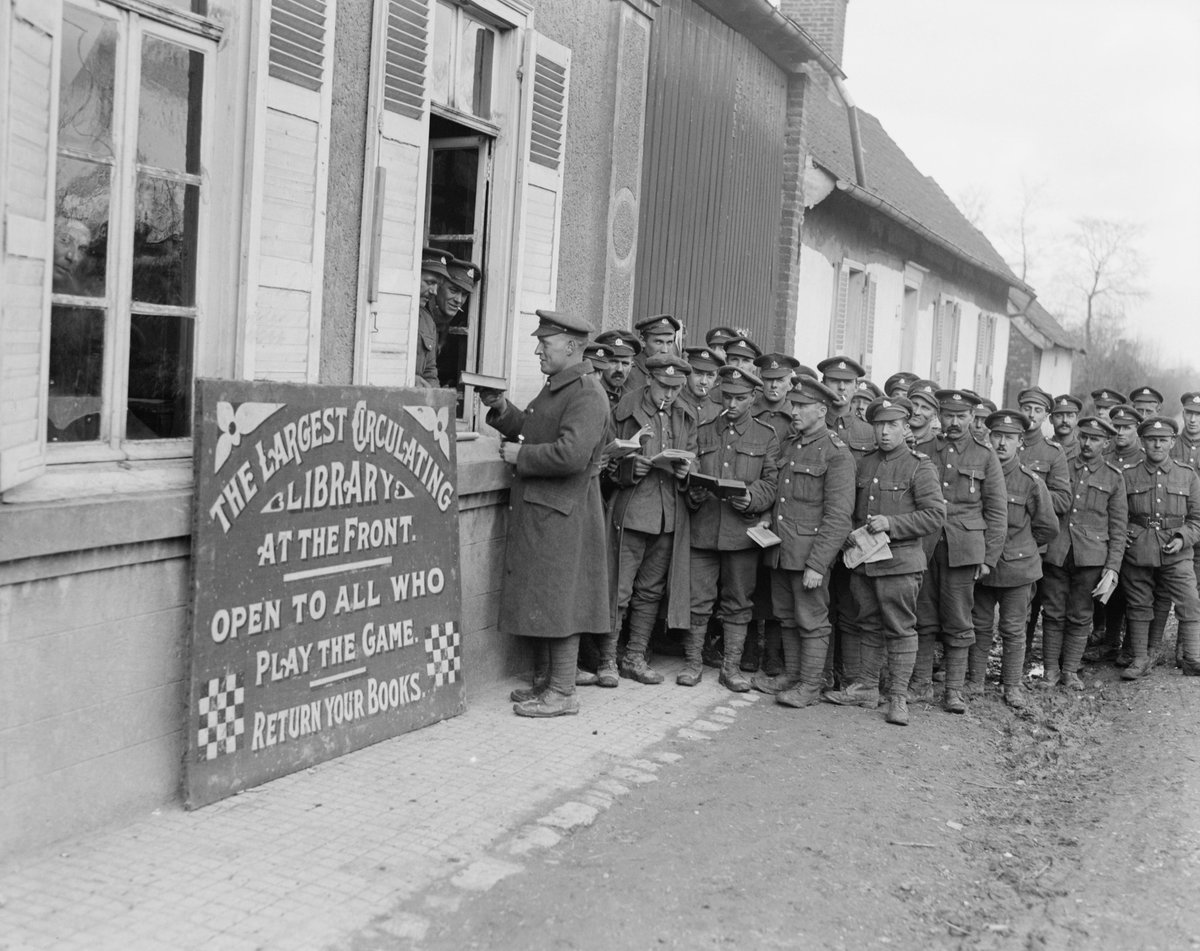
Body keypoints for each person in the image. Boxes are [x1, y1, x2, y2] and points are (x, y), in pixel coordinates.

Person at [481, 310, 612, 717]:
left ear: (572, 348)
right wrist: (502, 409)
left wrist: (523, 456)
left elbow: (571, 455)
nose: (538, 350)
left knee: (562, 603)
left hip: (565, 513)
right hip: (549, 511)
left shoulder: (587, 392)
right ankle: (547, 685)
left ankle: (562, 692)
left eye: (546, 343)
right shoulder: (560, 388)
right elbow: (534, 431)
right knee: (548, 596)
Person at [823, 396, 945, 725]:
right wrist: (849, 531)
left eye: (892, 425)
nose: (885, 432)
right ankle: (866, 688)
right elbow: (847, 508)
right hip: (864, 562)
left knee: (901, 629)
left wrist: (893, 524)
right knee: (868, 624)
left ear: (906, 427)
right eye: (879, 425)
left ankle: (898, 697)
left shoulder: (920, 466)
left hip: (901, 564)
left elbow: (935, 516)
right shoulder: (863, 463)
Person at [602, 353, 697, 686]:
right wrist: (631, 468)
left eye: (676, 388)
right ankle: (607, 659)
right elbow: (604, 462)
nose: (669, 394)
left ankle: (635, 656)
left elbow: (694, 457)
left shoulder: (684, 416)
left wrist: (688, 471)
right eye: (663, 386)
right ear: (649, 380)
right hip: (632, 511)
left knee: (650, 592)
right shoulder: (625, 412)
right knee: (618, 588)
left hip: (668, 515)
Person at [684, 365, 780, 691]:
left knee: (739, 601)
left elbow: (771, 482)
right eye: (727, 396)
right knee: (697, 599)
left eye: (740, 398)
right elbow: (691, 472)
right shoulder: (705, 429)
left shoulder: (765, 436)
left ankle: (731, 669)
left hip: (742, 533)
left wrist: (752, 498)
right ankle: (693, 665)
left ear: (753, 398)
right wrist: (692, 491)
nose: (732, 403)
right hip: (704, 529)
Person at [759, 376, 853, 706]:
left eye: (801, 406)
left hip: (808, 555)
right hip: (782, 550)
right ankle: (793, 674)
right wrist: (766, 518)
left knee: (812, 620)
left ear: (821, 410)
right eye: (793, 404)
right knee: (786, 615)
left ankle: (810, 685)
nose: (793, 411)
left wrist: (818, 563)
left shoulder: (836, 454)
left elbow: (838, 516)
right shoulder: (791, 445)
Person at [911, 389, 1007, 714]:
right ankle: (921, 685)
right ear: (940, 415)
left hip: (964, 550)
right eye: (948, 415)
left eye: (961, 416)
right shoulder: (923, 450)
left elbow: (996, 511)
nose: (953, 422)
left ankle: (953, 690)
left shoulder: (985, 455)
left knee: (958, 619)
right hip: (924, 546)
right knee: (922, 616)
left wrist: (989, 558)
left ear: (971, 417)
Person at [966, 411, 1058, 709]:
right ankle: (976, 681)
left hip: (1018, 568)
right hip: (982, 565)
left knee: (1013, 628)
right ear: (988, 437)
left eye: (1009, 437)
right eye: (997, 436)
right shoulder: (975, 474)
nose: (1002, 443)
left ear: (1021, 442)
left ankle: (1012, 685)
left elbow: (1047, 527)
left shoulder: (1030, 482)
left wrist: (1023, 546)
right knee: (978, 624)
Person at [1040, 415, 1127, 690]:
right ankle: (1050, 671)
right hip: (1056, 551)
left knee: (1080, 615)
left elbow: (1118, 527)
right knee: (1052, 613)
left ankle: (1070, 671)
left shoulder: (1114, 478)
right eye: (1085, 437)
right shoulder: (1062, 466)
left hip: (1090, 558)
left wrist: (1112, 568)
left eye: (1096, 439)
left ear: (1107, 442)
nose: (1088, 443)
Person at [1120, 416, 1200, 679]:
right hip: (1138, 548)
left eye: (1163, 440)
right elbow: (1117, 514)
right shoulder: (1128, 475)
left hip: (1176, 551)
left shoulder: (1188, 476)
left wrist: (1182, 538)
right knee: (1139, 603)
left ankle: (1193, 658)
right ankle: (1140, 658)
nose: (1157, 445)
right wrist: (1125, 535)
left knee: (1189, 600)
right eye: (1152, 440)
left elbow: (1197, 519)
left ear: (1172, 442)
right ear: (1143, 442)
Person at [745, 352, 803, 675]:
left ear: (789, 383)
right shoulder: (750, 411)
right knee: (751, 580)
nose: (773, 386)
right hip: (752, 502)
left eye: (779, 381)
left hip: (784, 508)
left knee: (778, 582)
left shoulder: (796, 415)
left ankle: (774, 654)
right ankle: (751, 648)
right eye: (767, 380)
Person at [432, 258, 481, 386]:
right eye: (453, 291)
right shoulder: (418, 317)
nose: (459, 300)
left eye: (464, 294)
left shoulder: (449, 322)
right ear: (437, 285)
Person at [414, 247, 451, 387]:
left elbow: (430, 373)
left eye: (436, 285)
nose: (434, 292)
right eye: (429, 282)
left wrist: (435, 399)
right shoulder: (391, 314)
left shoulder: (428, 321)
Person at [624, 314, 682, 393]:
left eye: (669, 342)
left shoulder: (675, 371)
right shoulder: (628, 370)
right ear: (642, 341)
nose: (665, 350)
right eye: (659, 342)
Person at [592, 330, 641, 407]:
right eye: (613, 362)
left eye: (625, 363)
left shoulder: (633, 399)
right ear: (601, 363)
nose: (619, 369)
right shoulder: (591, 394)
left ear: (631, 366)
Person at [679, 346, 724, 426]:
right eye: (698, 373)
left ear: (716, 378)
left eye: (710, 376)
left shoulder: (719, 411)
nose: (704, 381)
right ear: (687, 373)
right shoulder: (674, 404)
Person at [1049, 394, 1083, 463]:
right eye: (1059, 416)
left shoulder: (1084, 450)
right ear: (1051, 419)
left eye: (1070, 416)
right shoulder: (1042, 448)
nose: (1064, 420)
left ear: (1077, 420)